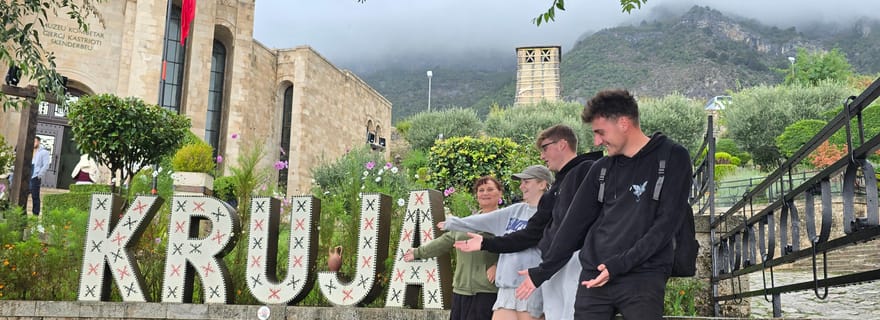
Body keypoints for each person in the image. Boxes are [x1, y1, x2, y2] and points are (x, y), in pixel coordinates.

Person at [529, 89, 692, 319]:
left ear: (624, 123)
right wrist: (542, 271)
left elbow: (666, 225)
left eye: (600, 132)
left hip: (644, 275)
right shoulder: (602, 169)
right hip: (594, 275)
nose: (596, 141)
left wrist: (619, 265)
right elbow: (573, 225)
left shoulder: (673, 157)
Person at [454, 125, 600, 320]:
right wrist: (484, 243)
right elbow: (531, 234)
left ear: (562, 144)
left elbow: (582, 227)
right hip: (548, 271)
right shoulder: (554, 192)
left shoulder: (589, 171)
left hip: (577, 264)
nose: (542, 156)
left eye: (545, 148)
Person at [440, 165, 553, 320]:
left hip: (530, 286)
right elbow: (482, 220)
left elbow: (522, 240)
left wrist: (484, 243)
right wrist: (453, 223)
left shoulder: (552, 214)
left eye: (526, 181)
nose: (521, 186)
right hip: (506, 287)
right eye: (521, 182)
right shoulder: (516, 210)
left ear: (542, 184)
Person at [404, 176, 504, 320]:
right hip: (461, 290)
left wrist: (498, 265)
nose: (485, 193)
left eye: (490, 189)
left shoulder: (505, 221)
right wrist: (418, 252)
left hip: (487, 291)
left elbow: (514, 246)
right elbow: (445, 241)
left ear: (500, 193)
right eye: (481, 190)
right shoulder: (466, 223)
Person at [29, 137, 51, 216]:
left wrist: (39, 175)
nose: (33, 143)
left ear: (38, 142)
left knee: (35, 196)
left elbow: (46, 165)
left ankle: (35, 214)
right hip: (27, 173)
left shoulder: (44, 152)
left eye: (35, 141)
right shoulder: (28, 150)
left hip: (35, 175)